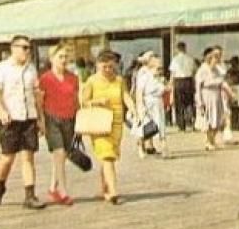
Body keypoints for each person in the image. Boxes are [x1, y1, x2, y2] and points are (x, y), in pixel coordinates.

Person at [0, 35, 46, 209]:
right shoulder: (2, 68)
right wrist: (1, 109)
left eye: (29, 48)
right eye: (24, 47)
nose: (27, 51)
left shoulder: (31, 69)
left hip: (28, 117)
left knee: (28, 157)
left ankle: (30, 195)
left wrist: (41, 118)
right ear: (13, 48)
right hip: (10, 117)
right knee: (7, 157)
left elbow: (37, 95)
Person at [80, 50, 137, 205]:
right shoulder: (91, 81)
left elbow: (125, 96)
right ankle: (113, 191)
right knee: (108, 156)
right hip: (99, 122)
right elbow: (83, 102)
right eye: (105, 67)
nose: (108, 70)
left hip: (116, 123)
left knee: (109, 157)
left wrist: (133, 109)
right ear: (98, 66)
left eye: (111, 67)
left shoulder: (119, 80)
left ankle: (104, 188)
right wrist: (97, 101)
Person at [37, 43, 79, 205]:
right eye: (60, 57)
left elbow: (76, 100)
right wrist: (41, 121)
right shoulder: (45, 79)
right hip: (51, 118)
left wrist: (80, 119)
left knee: (61, 156)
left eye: (66, 57)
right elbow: (39, 102)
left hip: (69, 119)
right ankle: (63, 191)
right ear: (52, 59)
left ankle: (53, 187)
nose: (64, 60)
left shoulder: (73, 78)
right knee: (59, 152)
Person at [195, 47, 230, 153]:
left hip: (216, 95)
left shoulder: (216, 70)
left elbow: (222, 80)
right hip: (207, 95)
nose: (216, 62)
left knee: (217, 119)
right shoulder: (202, 70)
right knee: (208, 119)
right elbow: (198, 86)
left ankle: (212, 140)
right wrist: (200, 101)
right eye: (214, 60)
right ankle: (208, 141)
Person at [139, 55, 170, 158]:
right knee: (147, 127)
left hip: (158, 103)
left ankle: (164, 148)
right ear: (150, 67)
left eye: (161, 68)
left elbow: (166, 88)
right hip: (148, 103)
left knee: (161, 126)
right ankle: (141, 147)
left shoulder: (160, 79)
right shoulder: (144, 78)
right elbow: (139, 93)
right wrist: (141, 107)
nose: (160, 70)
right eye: (158, 68)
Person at [169, 42, 198, 132]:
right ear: (185, 48)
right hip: (188, 81)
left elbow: (172, 74)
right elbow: (194, 72)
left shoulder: (175, 60)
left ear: (177, 49)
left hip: (178, 81)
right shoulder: (190, 59)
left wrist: (170, 85)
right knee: (189, 103)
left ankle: (181, 125)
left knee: (179, 104)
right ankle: (190, 122)